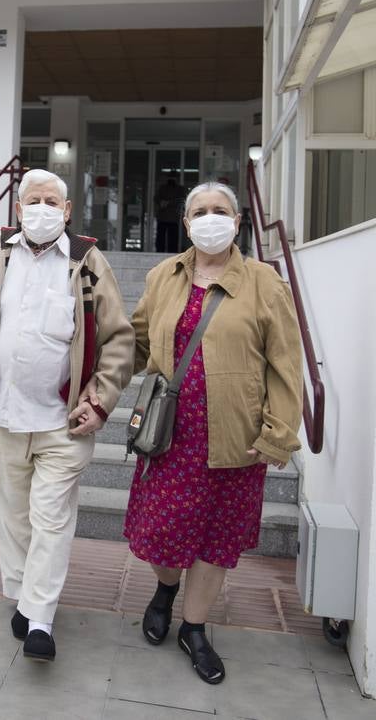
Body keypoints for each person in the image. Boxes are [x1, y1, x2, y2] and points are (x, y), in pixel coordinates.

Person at [0, 169, 134, 662]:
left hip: (63, 422)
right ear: (19, 209)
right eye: (32, 200)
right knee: (14, 516)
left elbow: (120, 339)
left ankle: (40, 618)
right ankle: (25, 598)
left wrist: (100, 399)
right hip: (2, 416)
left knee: (52, 519)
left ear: (66, 211)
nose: (41, 208)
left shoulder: (87, 263)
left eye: (51, 201)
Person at [123, 180, 303, 685]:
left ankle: (194, 627)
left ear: (238, 221)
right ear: (185, 223)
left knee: (215, 541)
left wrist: (277, 434)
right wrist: (93, 381)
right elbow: (135, 343)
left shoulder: (265, 283)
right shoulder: (164, 276)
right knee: (163, 534)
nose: (209, 218)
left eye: (219, 210)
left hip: (235, 440)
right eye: (199, 211)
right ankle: (164, 589)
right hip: (170, 436)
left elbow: (286, 367)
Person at [154, 177, 186, 253]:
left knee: (170, 237)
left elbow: (181, 199)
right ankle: (163, 251)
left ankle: (166, 251)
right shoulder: (163, 188)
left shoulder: (178, 189)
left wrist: (167, 203)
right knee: (164, 237)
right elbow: (156, 198)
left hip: (171, 217)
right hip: (167, 217)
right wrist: (162, 202)